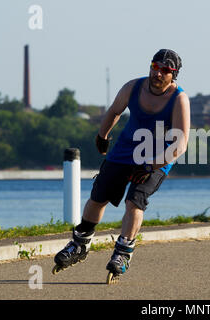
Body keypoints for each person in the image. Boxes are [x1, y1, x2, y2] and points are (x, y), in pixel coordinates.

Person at [53, 49, 190, 278]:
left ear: (173, 76)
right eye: (155, 67)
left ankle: (123, 252)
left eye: (165, 71)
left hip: (156, 158)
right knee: (99, 196)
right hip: (125, 151)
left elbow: (180, 145)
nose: (158, 74)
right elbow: (115, 110)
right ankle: (79, 244)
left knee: (134, 202)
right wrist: (102, 135)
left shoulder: (179, 100)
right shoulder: (133, 87)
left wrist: (150, 166)